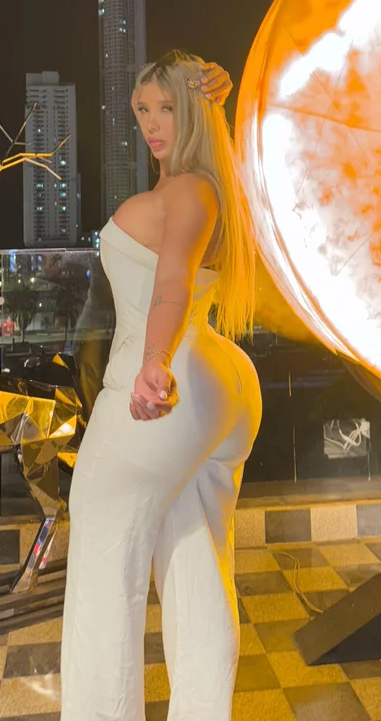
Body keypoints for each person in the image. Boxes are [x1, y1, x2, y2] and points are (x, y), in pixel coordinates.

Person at [61, 51, 263, 721]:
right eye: (143, 110)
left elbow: (171, 282)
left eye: (167, 108)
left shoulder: (191, 192)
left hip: (164, 384)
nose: (151, 124)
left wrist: (154, 360)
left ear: (193, 112)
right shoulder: (214, 187)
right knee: (196, 566)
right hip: (217, 385)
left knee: (101, 571)